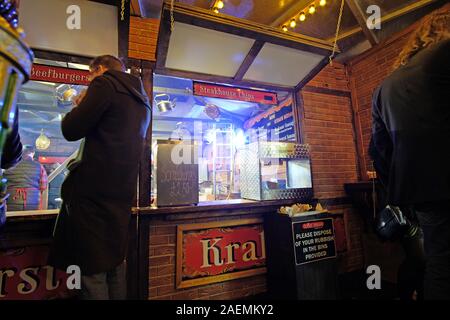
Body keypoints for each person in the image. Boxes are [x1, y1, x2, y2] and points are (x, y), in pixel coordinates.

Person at [48, 55, 151, 300]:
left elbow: (71, 130)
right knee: (114, 264)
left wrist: (79, 104)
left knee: (91, 268)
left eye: (90, 74)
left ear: (101, 69)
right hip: (121, 193)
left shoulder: (105, 83)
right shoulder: (143, 99)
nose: (89, 80)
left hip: (91, 194)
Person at [369, 5, 450, 300]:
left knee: (440, 265)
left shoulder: (382, 88)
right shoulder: (444, 55)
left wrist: (400, 192)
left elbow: (379, 152)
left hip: (422, 193)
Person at [3, 146, 47, 211]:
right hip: (32, 201)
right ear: (33, 153)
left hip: (11, 201)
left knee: (12, 219)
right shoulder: (39, 166)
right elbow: (43, 186)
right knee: (30, 219)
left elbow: (2, 184)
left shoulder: (9, 165)